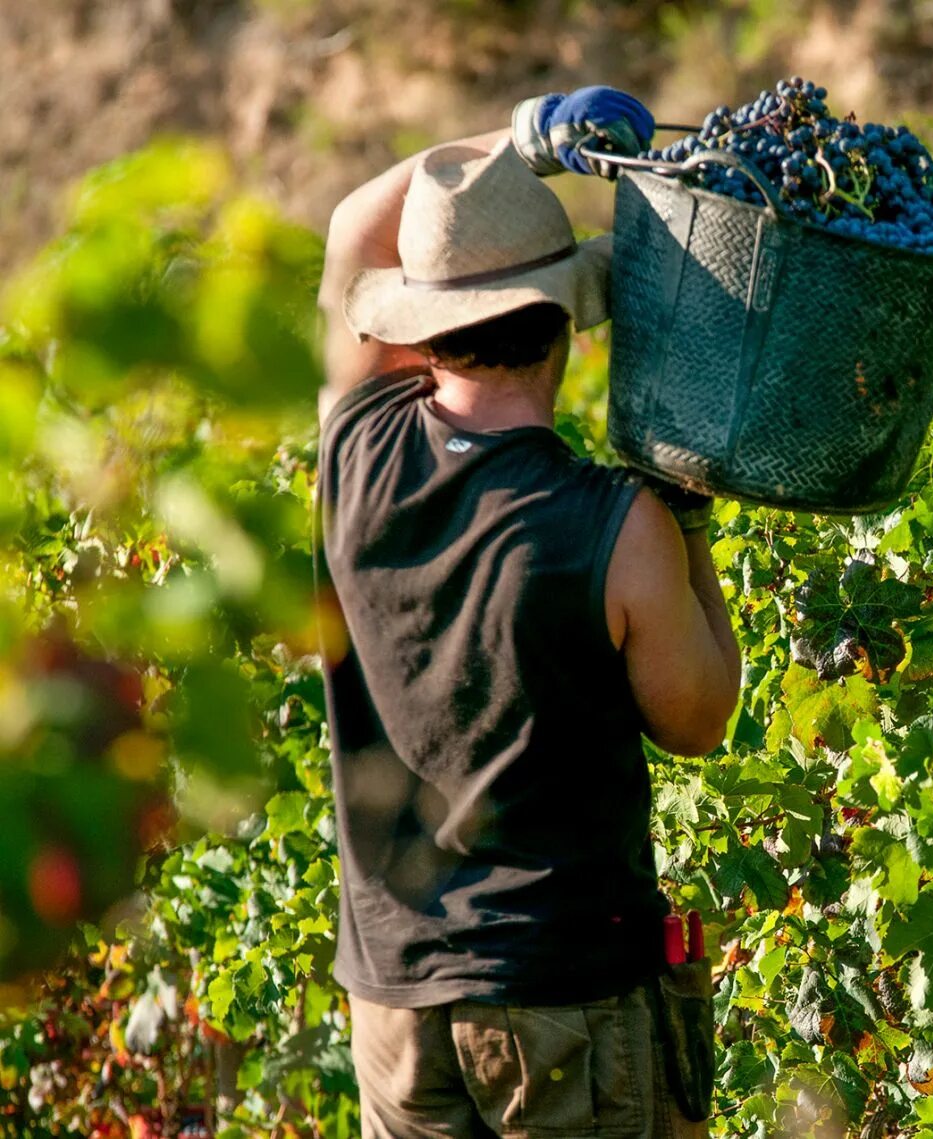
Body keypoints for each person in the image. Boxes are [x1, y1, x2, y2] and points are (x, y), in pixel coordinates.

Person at [314, 84, 742, 1139]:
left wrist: (516, 141)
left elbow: (349, 229)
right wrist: (688, 520)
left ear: (420, 325)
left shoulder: (351, 445)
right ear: (567, 324)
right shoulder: (615, 524)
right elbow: (700, 716)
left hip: (391, 991)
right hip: (563, 996)